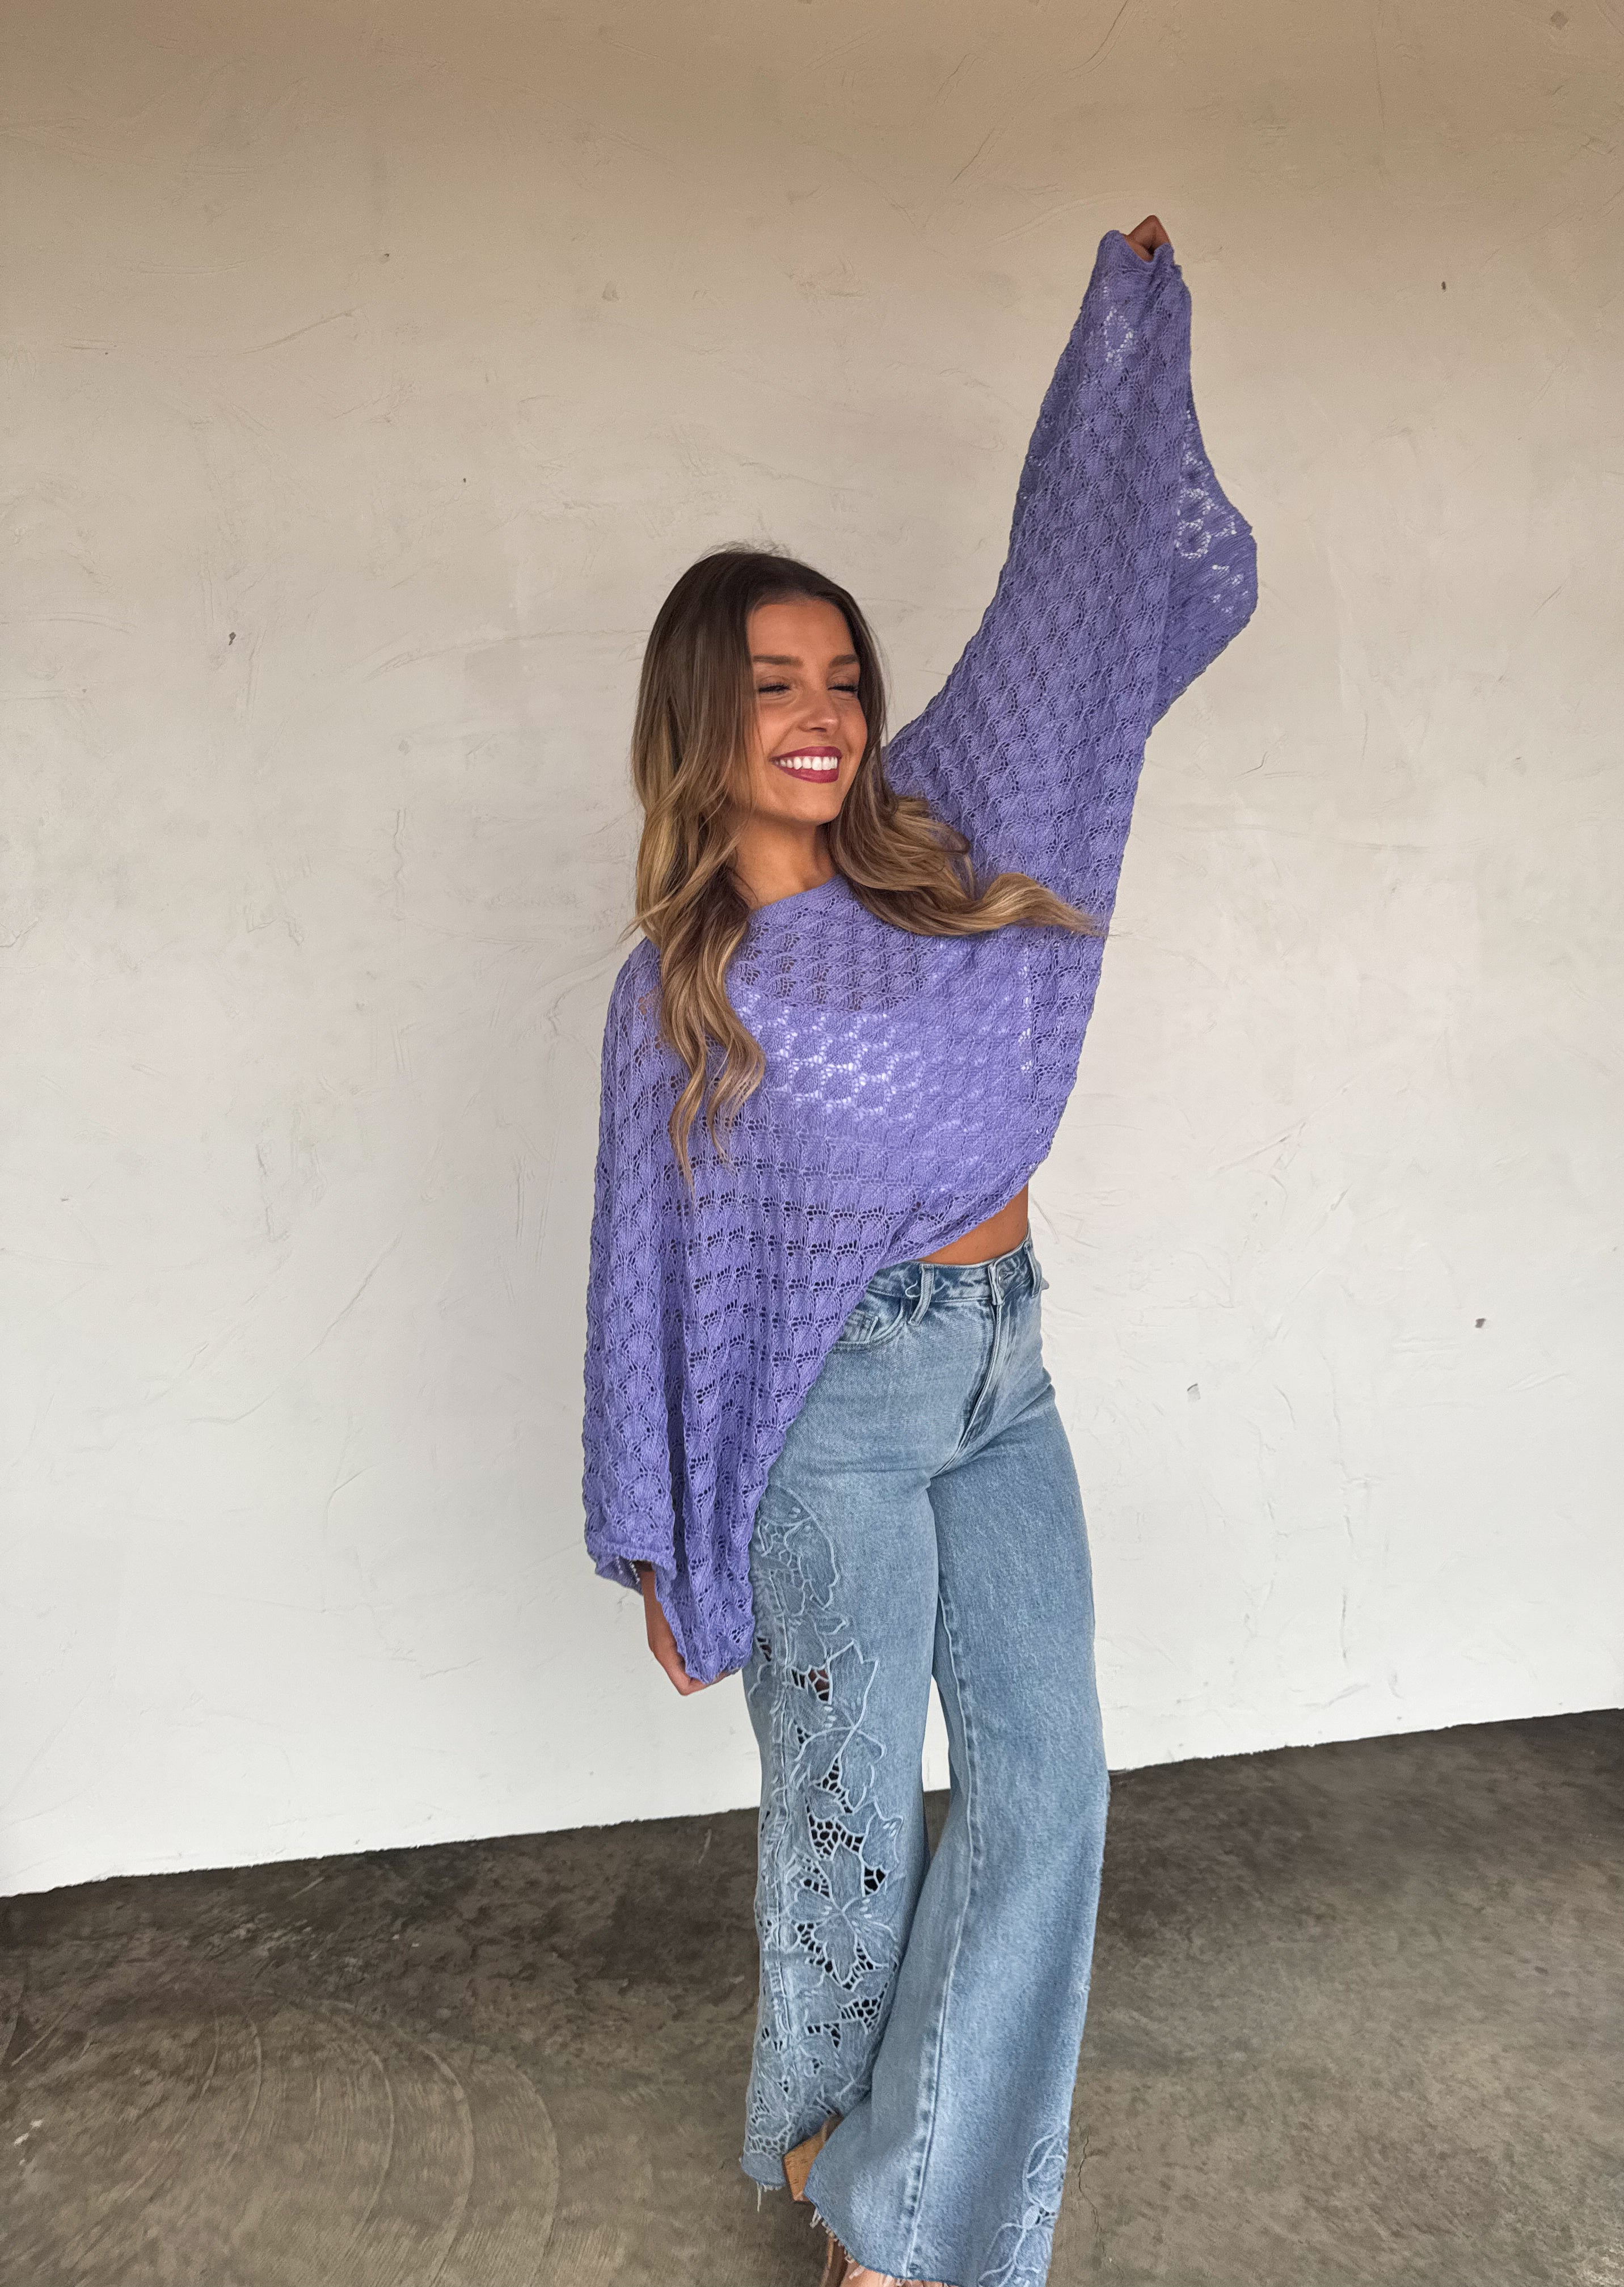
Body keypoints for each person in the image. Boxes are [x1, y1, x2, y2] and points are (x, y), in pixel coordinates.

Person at [581, 214, 1256, 2287]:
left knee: (1051, 1793)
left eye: (841, 677)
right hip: (838, 1421)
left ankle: (898, 2188)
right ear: (700, 717)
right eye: (771, 685)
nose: (823, 713)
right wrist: (659, 1538)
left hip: (1003, 1370)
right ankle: (842, 2183)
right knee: (850, 1824)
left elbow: (1060, 612)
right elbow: (648, 1282)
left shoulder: (942, 838)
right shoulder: (682, 988)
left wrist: (1121, 343)